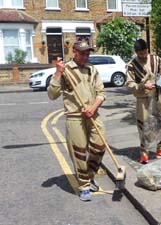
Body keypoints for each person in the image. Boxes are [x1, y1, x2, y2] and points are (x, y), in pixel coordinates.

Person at [47, 40, 106, 201]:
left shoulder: (92, 70)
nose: (86, 56)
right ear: (74, 52)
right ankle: (84, 185)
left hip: (93, 114)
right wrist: (58, 73)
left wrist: (93, 107)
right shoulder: (65, 70)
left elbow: (101, 92)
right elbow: (52, 95)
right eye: (82, 53)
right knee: (79, 152)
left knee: (99, 146)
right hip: (75, 117)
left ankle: (90, 175)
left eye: (88, 53)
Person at [126, 39, 161, 164]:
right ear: (136, 52)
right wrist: (142, 86)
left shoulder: (156, 60)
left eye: (145, 52)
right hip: (143, 99)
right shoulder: (132, 65)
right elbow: (129, 83)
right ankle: (144, 153)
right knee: (143, 124)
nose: (143, 55)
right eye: (140, 53)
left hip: (158, 96)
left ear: (147, 50)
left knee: (160, 122)